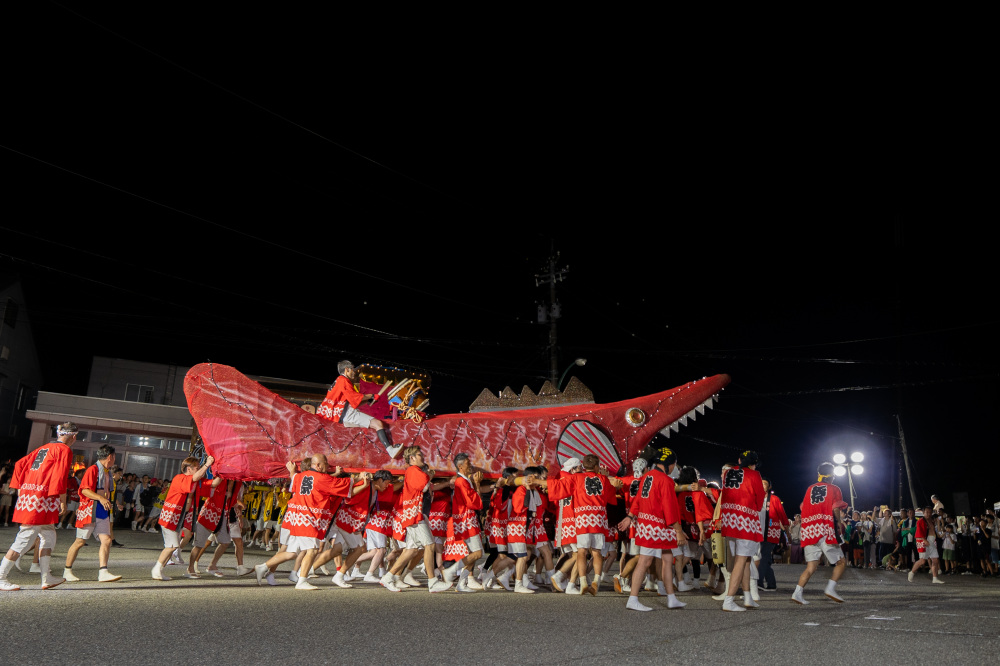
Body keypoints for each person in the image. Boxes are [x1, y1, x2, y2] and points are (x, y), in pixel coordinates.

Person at [255, 454, 363, 590]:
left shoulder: (300, 476)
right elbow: (343, 486)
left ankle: (263, 567)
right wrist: (361, 478)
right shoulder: (323, 478)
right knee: (311, 550)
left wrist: (292, 471)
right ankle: (302, 580)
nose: (327, 467)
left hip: (296, 518)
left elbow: (294, 480)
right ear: (318, 465)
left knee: (292, 552)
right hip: (309, 519)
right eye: (325, 464)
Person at [0, 422, 76, 591]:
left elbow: (20, 464)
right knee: (25, 539)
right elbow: (60, 477)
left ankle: (45, 577)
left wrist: (21, 489)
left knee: (48, 535)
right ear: (73, 436)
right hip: (43, 499)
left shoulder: (43, 448)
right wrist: (62, 501)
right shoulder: (64, 450)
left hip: (32, 496)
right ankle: (1, 577)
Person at [617, 445, 687, 611]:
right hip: (658, 526)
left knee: (667, 559)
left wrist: (630, 517)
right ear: (670, 464)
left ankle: (671, 598)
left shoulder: (647, 477)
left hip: (647, 524)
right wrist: (679, 531)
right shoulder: (666, 481)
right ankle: (633, 599)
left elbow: (638, 501)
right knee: (645, 561)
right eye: (674, 465)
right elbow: (669, 510)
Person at [544, 454, 623, 596]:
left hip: (581, 520)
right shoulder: (603, 479)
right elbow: (610, 495)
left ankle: (581, 582)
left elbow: (555, 488)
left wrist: (539, 480)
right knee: (596, 552)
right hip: (598, 520)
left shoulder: (574, 478)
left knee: (580, 552)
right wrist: (609, 481)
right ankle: (595, 580)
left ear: (583, 466)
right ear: (597, 466)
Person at [379, 447, 454, 593]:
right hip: (415, 514)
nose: (422, 457)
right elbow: (424, 486)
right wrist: (429, 475)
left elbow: (427, 487)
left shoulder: (414, 472)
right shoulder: (413, 470)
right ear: (412, 458)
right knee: (430, 545)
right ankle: (432, 582)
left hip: (416, 514)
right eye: (420, 455)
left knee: (411, 550)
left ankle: (388, 577)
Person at [715, 450, 765, 612]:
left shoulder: (728, 473)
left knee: (745, 559)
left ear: (739, 460)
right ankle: (729, 600)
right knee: (741, 560)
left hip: (730, 521)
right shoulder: (754, 475)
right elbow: (759, 500)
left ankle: (748, 597)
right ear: (754, 463)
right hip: (746, 521)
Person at [63, 445, 122, 583]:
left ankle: (103, 572)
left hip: (102, 509)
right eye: (114, 456)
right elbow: (84, 490)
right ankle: (67, 570)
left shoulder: (106, 472)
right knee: (80, 541)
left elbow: (106, 491)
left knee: (106, 540)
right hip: (90, 509)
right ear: (110, 457)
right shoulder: (93, 469)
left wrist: (111, 502)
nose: (114, 459)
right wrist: (101, 498)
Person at [151, 455, 215, 581]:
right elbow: (196, 478)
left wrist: (220, 471)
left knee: (173, 545)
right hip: (170, 517)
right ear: (188, 469)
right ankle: (156, 569)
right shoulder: (180, 478)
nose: (199, 469)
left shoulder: (194, 482)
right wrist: (207, 464)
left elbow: (213, 483)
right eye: (197, 467)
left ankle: (159, 570)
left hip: (177, 518)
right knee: (172, 545)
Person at [317, 360, 399, 457]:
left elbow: (354, 401)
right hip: (346, 414)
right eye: (353, 369)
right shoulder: (343, 380)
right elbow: (355, 398)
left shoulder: (338, 381)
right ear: (347, 370)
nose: (354, 372)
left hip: (340, 414)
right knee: (378, 424)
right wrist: (371, 395)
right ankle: (390, 450)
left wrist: (369, 399)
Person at [791, 462, 847, 605]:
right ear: (832, 475)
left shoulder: (810, 489)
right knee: (841, 562)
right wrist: (839, 524)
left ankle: (797, 593)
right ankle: (830, 589)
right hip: (825, 528)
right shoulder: (834, 488)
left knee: (811, 567)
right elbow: (835, 508)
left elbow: (803, 507)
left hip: (810, 531)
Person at [759, 478, 789, 591]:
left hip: (771, 532)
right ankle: (771, 584)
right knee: (764, 558)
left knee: (763, 555)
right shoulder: (755, 497)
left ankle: (758, 582)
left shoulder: (774, 499)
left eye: (765, 484)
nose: (762, 485)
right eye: (760, 483)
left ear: (769, 487)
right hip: (758, 531)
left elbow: (782, 515)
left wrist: (786, 530)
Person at [908, 504, 944, 584]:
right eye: (927, 512)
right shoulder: (920, 521)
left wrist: (938, 523)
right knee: (922, 561)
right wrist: (924, 540)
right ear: (923, 512)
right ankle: (912, 572)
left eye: (930, 512)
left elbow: (935, 531)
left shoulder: (932, 521)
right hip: (923, 541)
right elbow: (919, 532)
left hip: (932, 541)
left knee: (935, 560)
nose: (929, 514)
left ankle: (935, 578)